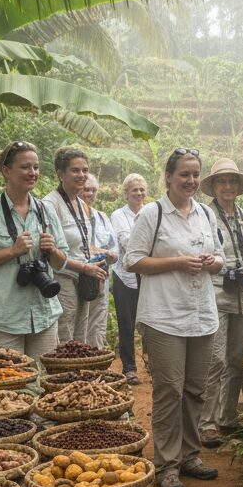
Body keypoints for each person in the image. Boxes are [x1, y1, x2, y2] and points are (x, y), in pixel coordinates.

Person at [124, 148, 224, 487]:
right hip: (164, 316)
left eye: (196, 174)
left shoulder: (206, 214)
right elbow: (133, 260)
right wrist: (178, 261)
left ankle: (189, 456)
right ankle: (167, 466)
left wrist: (214, 262)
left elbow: (221, 258)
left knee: (196, 390)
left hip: (201, 314)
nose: (191, 181)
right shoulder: (153, 214)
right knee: (169, 391)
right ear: (168, 176)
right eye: (184, 174)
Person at [0, 141, 69, 359]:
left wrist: (53, 251)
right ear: (7, 170)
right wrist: (12, 251)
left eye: (36, 167)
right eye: (25, 167)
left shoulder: (46, 210)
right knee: (9, 383)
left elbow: (61, 262)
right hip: (2, 317)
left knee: (44, 381)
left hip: (43, 314)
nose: (32, 172)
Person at [197, 158, 243, 448]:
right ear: (213, 186)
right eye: (222, 181)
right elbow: (203, 256)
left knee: (236, 361)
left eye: (232, 181)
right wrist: (227, 269)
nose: (227, 186)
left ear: (238, 186)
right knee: (216, 360)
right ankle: (206, 424)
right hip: (216, 295)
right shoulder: (204, 216)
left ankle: (228, 417)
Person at [43, 147, 108, 343]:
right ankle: (63, 373)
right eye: (75, 170)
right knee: (65, 335)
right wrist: (84, 267)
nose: (82, 175)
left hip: (84, 278)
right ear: (61, 174)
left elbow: (83, 243)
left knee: (81, 335)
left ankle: (78, 373)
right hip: (63, 279)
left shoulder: (81, 203)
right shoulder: (50, 204)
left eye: (85, 170)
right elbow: (49, 251)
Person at [109, 174, 149, 385]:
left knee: (151, 321)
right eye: (135, 190)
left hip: (147, 276)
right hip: (124, 276)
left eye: (142, 189)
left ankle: (152, 363)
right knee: (126, 323)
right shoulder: (118, 215)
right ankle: (130, 368)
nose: (139, 193)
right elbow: (126, 242)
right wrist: (146, 242)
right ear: (126, 193)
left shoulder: (150, 212)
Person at [78, 175, 118, 348]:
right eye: (86, 189)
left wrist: (111, 255)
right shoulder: (68, 218)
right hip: (77, 281)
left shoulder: (102, 217)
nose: (90, 194)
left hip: (100, 282)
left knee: (97, 328)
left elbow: (115, 248)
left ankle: (96, 368)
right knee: (76, 328)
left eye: (93, 190)